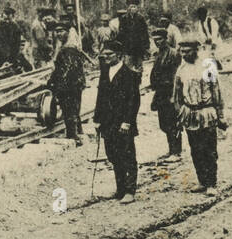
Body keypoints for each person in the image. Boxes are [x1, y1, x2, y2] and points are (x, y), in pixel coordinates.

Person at [172, 40, 225, 195]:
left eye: (187, 51)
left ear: (196, 50)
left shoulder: (207, 66)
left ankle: (211, 184)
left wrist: (220, 116)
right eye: (182, 51)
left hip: (206, 113)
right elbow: (177, 95)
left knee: (209, 149)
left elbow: (217, 93)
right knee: (196, 149)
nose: (184, 54)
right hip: (190, 114)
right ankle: (202, 181)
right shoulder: (181, 69)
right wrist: (180, 114)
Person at [93, 39, 141, 202]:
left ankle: (130, 191)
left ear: (119, 55)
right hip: (108, 123)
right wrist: (97, 119)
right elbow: (100, 98)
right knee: (113, 155)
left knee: (127, 155)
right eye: (104, 54)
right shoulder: (105, 72)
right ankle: (120, 189)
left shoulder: (130, 75)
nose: (105, 57)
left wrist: (127, 121)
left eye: (109, 54)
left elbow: (133, 101)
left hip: (123, 124)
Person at [48, 21, 87, 144]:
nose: (59, 34)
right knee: (74, 109)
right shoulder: (67, 46)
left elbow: (66, 70)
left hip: (70, 85)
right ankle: (78, 132)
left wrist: (57, 85)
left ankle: (73, 136)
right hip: (75, 84)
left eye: (61, 31)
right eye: (57, 31)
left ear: (67, 32)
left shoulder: (68, 48)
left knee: (69, 109)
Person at [148, 27, 183, 161]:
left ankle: (176, 152)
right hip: (161, 93)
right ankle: (171, 150)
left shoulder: (173, 54)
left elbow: (176, 76)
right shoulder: (158, 54)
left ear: (166, 39)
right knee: (164, 123)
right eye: (155, 40)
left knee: (173, 123)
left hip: (170, 92)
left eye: (160, 39)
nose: (157, 42)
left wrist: (174, 96)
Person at [117, 0, 151, 71]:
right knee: (128, 67)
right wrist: (120, 48)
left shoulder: (141, 18)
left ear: (137, 8)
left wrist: (146, 47)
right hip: (128, 48)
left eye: (135, 7)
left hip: (139, 48)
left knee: (139, 68)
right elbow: (121, 34)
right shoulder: (123, 19)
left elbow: (145, 33)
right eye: (131, 6)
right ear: (128, 8)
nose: (133, 9)